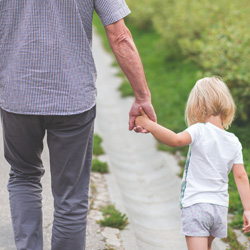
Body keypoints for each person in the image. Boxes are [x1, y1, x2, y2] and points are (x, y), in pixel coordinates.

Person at [0, 1, 156, 250]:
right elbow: (120, 35)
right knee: (70, 195)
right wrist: (142, 96)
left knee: (23, 177)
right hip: (72, 98)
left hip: (18, 94)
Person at [135, 77, 250, 250]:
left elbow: (174, 140)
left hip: (196, 205)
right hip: (219, 208)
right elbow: (241, 176)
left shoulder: (199, 130)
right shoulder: (233, 141)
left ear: (198, 105)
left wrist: (148, 124)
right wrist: (247, 209)